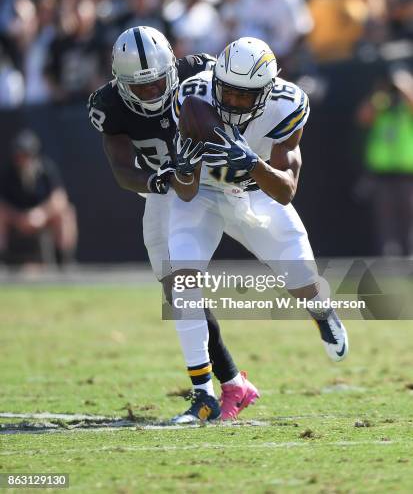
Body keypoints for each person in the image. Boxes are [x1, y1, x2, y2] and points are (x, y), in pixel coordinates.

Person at [169, 37, 349, 423]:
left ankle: (322, 314)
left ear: (266, 93)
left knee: (301, 275)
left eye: (244, 96)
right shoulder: (194, 93)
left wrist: (251, 162)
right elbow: (184, 192)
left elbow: (285, 191)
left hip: (258, 194)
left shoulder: (288, 103)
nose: (232, 102)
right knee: (180, 278)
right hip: (203, 193)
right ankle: (203, 394)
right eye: (228, 92)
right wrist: (185, 166)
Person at [87, 26, 259, 420]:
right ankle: (231, 382)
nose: (149, 93)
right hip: (164, 193)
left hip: (217, 184)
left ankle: (207, 395)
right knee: (178, 291)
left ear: (172, 68)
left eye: (156, 83)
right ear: (121, 81)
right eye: (139, 87)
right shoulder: (108, 104)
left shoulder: (200, 74)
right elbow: (120, 168)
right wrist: (156, 179)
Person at [356, 64, 413, 256]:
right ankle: (389, 260)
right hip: (382, 174)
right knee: (385, 221)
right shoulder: (381, 104)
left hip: (407, 174)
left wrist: (403, 84)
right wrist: (381, 92)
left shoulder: (406, 109)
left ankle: (409, 258)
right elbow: (363, 117)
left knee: (408, 219)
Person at [0, 129, 77, 265]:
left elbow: (60, 199)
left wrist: (41, 214)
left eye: (25, 154)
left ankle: (64, 261)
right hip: (17, 217)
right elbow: (3, 203)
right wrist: (18, 217)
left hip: (42, 217)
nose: (21, 159)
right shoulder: (8, 172)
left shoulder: (47, 169)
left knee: (66, 213)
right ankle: (2, 261)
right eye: (19, 155)